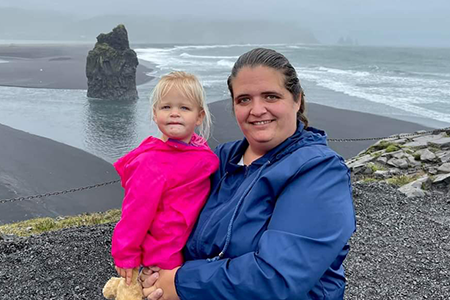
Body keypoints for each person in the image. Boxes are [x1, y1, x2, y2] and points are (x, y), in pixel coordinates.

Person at [140, 48, 357, 300]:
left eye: (271, 96)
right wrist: (154, 269)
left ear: (296, 99)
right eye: (244, 99)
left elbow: (276, 277)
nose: (257, 110)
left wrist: (179, 283)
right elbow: (172, 218)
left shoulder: (320, 172)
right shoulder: (221, 159)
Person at [109, 71, 219, 292]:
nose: (174, 114)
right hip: (164, 249)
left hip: (188, 244)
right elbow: (135, 211)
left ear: (199, 117)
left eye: (184, 108)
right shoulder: (151, 161)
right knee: (159, 291)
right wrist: (125, 252)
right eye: (166, 107)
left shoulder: (196, 147)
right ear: (155, 113)